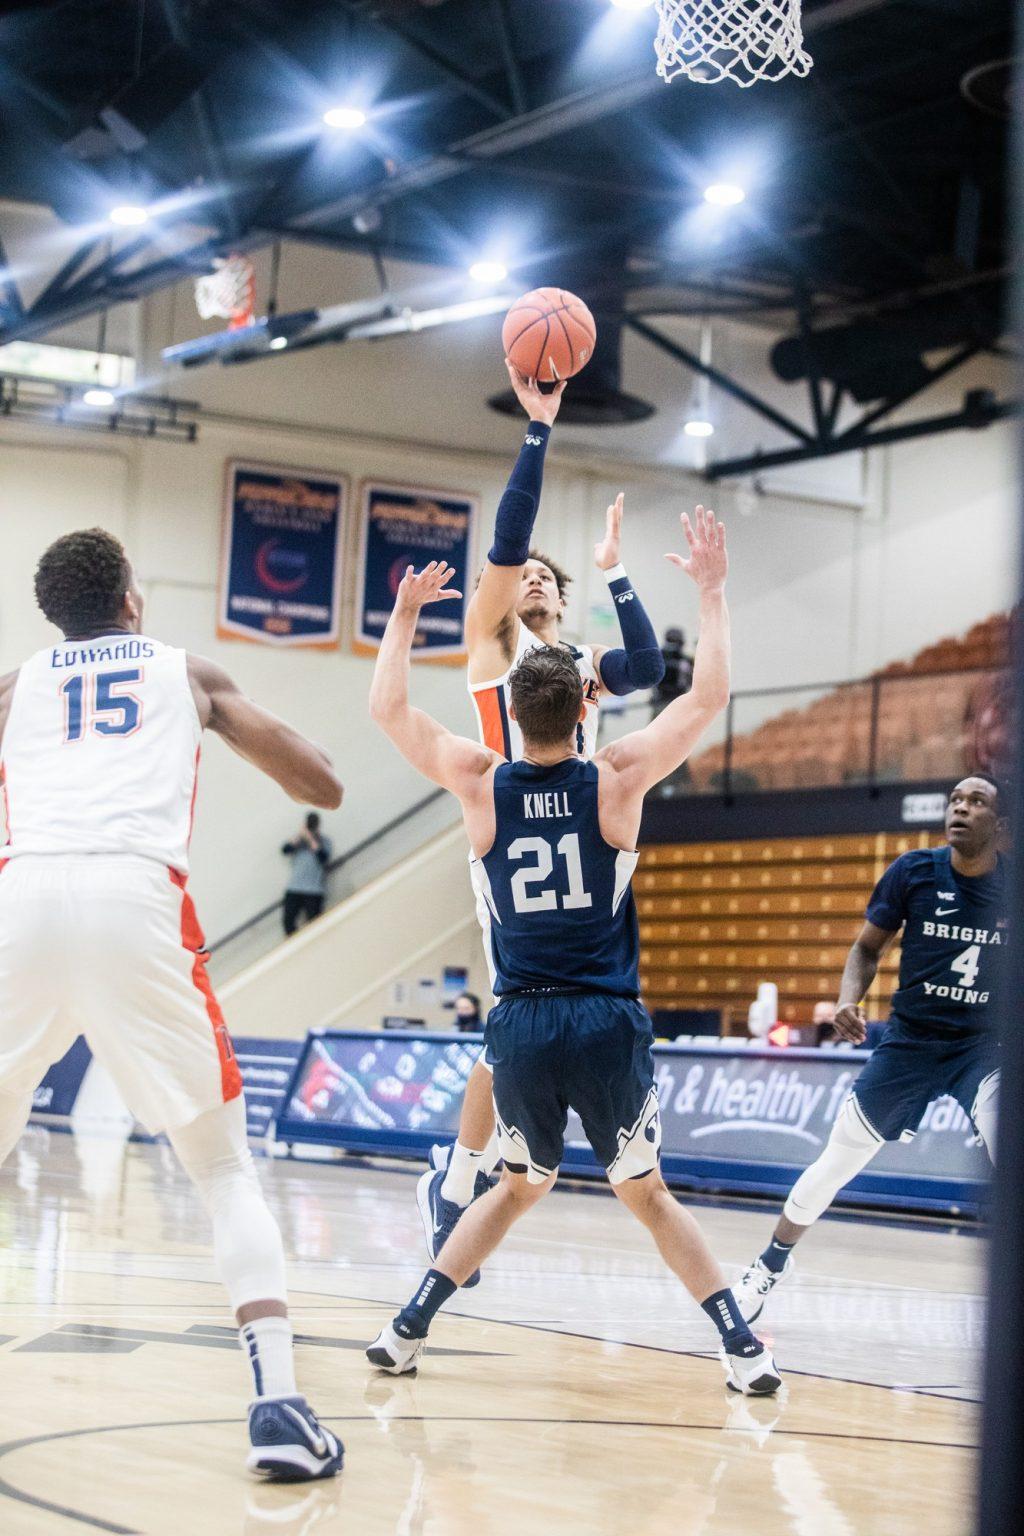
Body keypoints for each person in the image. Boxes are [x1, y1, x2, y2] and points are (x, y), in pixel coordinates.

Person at [365, 509, 782, 1397]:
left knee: (516, 1188)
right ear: (584, 708)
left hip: (520, 1020)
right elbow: (705, 698)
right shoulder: (618, 776)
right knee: (649, 1196)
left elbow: (389, 710)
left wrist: (403, 619)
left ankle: (406, 1330)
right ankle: (741, 1348)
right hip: (604, 1018)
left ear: (509, 713)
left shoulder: (479, 780)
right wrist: (709, 593)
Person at [0, 527, 345, 1481]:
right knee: (223, 1166)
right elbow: (323, 781)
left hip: (20, 899)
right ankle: (277, 1405)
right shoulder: (181, 670)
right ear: (132, 599)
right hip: (135, 898)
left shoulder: (19, 686)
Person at [420, 361, 666, 1282]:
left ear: (561, 602)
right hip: (508, 837)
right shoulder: (494, 648)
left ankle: (458, 1184)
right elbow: (507, 537)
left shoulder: (576, 668)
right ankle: (454, 1188)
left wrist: (618, 570)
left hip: (585, 846)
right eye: (518, 579)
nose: (527, 580)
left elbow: (645, 659)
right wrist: (538, 428)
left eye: (544, 581)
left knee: (530, 1018)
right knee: (510, 1014)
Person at [733, 774, 1006, 1323]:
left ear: (999, 825)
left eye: (976, 802)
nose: (961, 808)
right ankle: (766, 1268)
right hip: (910, 1043)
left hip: (983, 1047)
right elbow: (865, 949)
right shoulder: (913, 872)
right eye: (955, 799)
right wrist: (846, 999)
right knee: (836, 1162)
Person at [281, 812, 333, 935]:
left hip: (314, 890)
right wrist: (301, 835)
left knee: (315, 925)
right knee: (288, 922)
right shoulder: (299, 841)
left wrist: (311, 839)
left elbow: (323, 858)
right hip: (294, 888)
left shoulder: (324, 841)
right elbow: (285, 850)